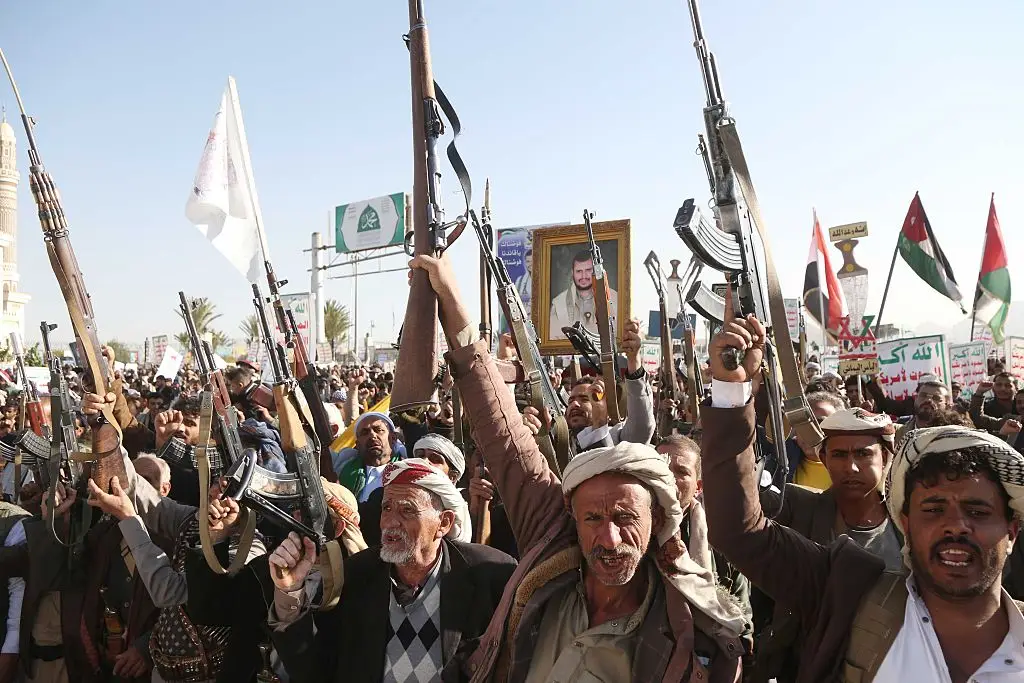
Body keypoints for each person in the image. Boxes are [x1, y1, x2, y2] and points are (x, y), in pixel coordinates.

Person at [410, 253, 747, 681]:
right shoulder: (552, 546)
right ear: (571, 514)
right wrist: (451, 297)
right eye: (592, 518)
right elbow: (503, 433)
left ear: (658, 516)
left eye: (626, 518)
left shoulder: (693, 628)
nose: (607, 537)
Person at [700, 301, 1024, 681]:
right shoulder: (848, 591)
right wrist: (732, 391)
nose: (956, 526)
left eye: (978, 511)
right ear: (906, 521)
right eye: (934, 509)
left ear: (1013, 531)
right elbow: (738, 529)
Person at [268, 458, 516, 682]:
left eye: (407, 510)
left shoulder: (490, 575)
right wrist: (289, 591)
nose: (390, 522)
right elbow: (312, 669)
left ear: (444, 523)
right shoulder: (357, 575)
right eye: (386, 508)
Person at [753, 408, 904, 683]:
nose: (851, 467)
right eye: (839, 455)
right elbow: (738, 514)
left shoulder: (910, 522)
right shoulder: (798, 508)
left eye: (863, 454)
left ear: (886, 457)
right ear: (823, 458)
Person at [548, 251, 619, 338]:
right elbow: (553, 340)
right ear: (572, 273)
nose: (583, 276)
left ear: (595, 271)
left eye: (588, 270)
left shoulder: (615, 299)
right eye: (579, 271)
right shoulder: (558, 304)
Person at [971, 372, 1022, 438]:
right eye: (998, 385)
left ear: (1016, 389)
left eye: (1008, 385)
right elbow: (977, 419)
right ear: (993, 388)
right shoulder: (985, 408)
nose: (1002, 389)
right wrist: (979, 393)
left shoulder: (1021, 407)